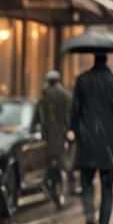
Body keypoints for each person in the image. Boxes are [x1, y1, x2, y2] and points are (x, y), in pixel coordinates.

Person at [69, 52, 113, 224]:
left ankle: (89, 215)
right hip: (109, 143)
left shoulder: (82, 81)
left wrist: (78, 134)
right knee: (107, 189)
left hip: (87, 141)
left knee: (86, 184)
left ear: (94, 59)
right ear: (108, 59)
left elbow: (74, 113)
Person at [36, 70, 71, 208]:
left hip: (48, 137)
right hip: (60, 136)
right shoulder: (65, 95)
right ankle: (62, 183)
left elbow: (41, 117)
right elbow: (69, 115)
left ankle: (51, 183)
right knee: (60, 162)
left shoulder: (44, 95)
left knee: (51, 162)